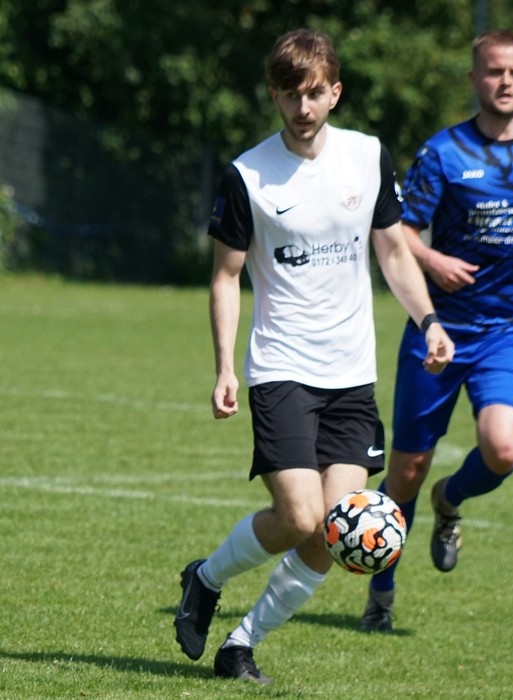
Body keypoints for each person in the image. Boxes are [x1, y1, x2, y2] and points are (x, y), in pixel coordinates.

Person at [172, 28, 454, 684]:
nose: (302, 107)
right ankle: (205, 578)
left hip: (352, 374)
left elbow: (393, 252)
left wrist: (430, 321)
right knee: (299, 516)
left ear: (335, 93)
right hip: (282, 368)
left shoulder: (367, 156)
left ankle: (241, 645)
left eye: (314, 93)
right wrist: (224, 367)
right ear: (274, 95)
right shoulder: (248, 174)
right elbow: (225, 276)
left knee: (337, 529)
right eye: (289, 94)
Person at [358, 28, 513, 633]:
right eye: (493, 71)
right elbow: (401, 229)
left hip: (510, 331)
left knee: (504, 449)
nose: (504, 81)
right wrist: (433, 260)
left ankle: (450, 499)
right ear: (474, 78)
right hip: (438, 331)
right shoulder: (444, 152)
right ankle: (380, 596)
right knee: (405, 471)